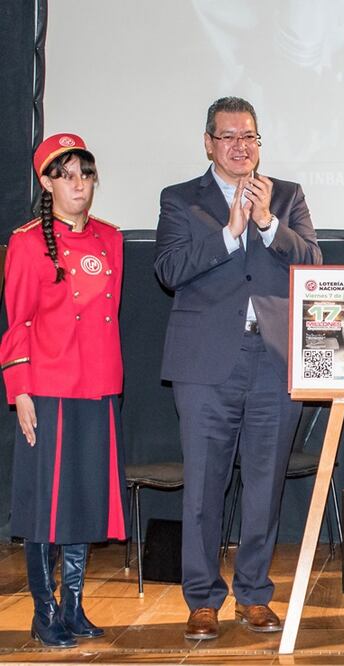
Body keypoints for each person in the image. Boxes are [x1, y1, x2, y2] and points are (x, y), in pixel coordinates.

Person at [154, 97, 322, 640]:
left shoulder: (287, 195)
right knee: (204, 484)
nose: (239, 146)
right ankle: (202, 599)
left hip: (273, 359)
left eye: (248, 136)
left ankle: (253, 594)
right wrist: (228, 232)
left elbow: (313, 264)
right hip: (206, 363)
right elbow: (169, 270)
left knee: (264, 484)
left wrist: (268, 223)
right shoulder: (181, 199)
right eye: (227, 136)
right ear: (208, 142)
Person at [0, 134, 126, 648]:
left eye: (86, 173)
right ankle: (44, 610)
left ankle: (74, 606)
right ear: (47, 182)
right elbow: (16, 323)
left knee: (83, 500)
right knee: (44, 506)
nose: (79, 184)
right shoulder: (29, 242)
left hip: (96, 387)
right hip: (48, 388)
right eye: (67, 174)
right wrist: (21, 390)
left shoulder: (112, 238)